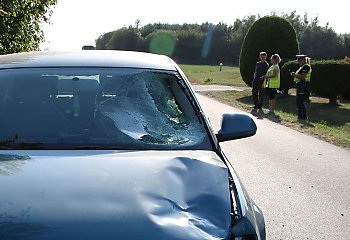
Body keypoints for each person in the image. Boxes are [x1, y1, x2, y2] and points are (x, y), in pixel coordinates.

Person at [290, 55, 312, 121]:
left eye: (299, 60)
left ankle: (303, 117)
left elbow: (302, 77)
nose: (298, 62)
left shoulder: (306, 66)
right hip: (300, 85)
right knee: (298, 101)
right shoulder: (301, 67)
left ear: (303, 60)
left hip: (303, 84)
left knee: (301, 101)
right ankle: (300, 116)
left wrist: (294, 75)